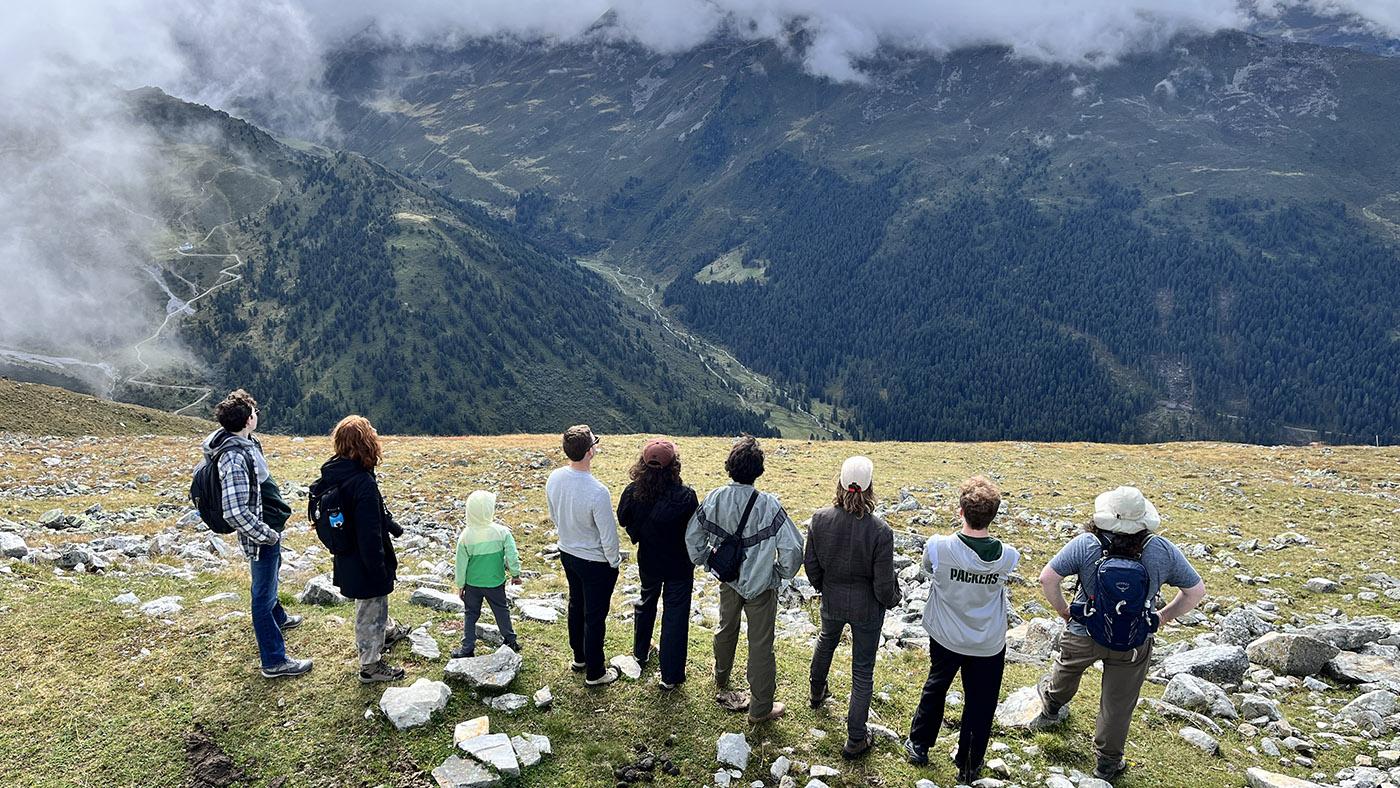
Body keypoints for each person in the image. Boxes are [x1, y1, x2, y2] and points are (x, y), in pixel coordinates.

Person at [1036, 486, 1206, 783]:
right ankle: (1107, 763)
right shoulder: (1162, 549)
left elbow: (1047, 578)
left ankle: (1051, 707)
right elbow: (1195, 592)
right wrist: (1162, 617)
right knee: (1118, 703)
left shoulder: (1086, 543)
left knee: (1066, 671)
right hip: (1134, 640)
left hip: (1084, 631)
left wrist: (1065, 611)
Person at [904, 476, 1020, 784]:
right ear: (993, 516)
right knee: (981, 701)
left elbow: (928, 570)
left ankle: (919, 744)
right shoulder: (1008, 556)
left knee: (937, 684)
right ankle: (969, 764)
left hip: (946, 633)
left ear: (961, 512)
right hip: (987, 640)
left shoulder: (939, 547)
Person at [685, 435, 804, 724]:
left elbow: (693, 539)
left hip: (728, 580)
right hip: (762, 586)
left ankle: (721, 675)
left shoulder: (715, 498)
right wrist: (778, 575)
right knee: (761, 644)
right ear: (758, 470)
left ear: (730, 468)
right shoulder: (769, 505)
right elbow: (793, 550)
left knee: (726, 627)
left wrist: (706, 560)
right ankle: (761, 708)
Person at [202, 389, 311, 679]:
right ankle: (274, 661)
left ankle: (280, 618)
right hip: (263, 533)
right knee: (262, 594)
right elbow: (235, 512)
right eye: (255, 412)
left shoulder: (245, 441)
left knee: (270, 577)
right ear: (249, 419)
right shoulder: (234, 458)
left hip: (270, 524)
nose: (257, 415)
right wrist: (267, 535)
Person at [805, 456, 901, 759]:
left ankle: (816, 692)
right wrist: (894, 599)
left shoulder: (819, 519)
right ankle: (856, 738)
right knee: (862, 671)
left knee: (826, 639)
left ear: (840, 483)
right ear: (870, 487)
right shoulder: (880, 530)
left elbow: (811, 565)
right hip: (867, 610)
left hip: (832, 599)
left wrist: (824, 587)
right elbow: (884, 585)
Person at [316, 415, 409, 684]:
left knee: (371, 603)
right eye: (371, 433)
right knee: (371, 603)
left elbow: (370, 514)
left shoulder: (339, 472)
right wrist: (379, 570)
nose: (376, 434)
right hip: (365, 559)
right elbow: (369, 535)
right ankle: (370, 665)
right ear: (365, 444)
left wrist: (392, 525)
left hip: (347, 556)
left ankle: (388, 631)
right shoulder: (363, 482)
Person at [617, 438, 699, 690]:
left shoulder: (632, 492)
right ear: (674, 465)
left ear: (642, 464)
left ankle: (641, 652)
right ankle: (670, 676)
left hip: (649, 560)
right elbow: (694, 530)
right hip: (679, 565)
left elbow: (623, 519)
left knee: (646, 601)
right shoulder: (686, 497)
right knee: (675, 615)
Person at [545, 424, 622, 687]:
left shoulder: (554, 477)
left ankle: (579, 658)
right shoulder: (597, 491)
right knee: (594, 616)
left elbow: (555, 515)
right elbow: (608, 535)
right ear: (590, 451)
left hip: (568, 552)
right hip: (595, 562)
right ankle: (596, 672)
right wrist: (614, 562)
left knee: (576, 605)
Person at [451, 489, 523, 659]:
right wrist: (515, 574)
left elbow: (460, 565)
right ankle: (510, 640)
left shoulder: (465, 536)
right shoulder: (502, 532)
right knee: (501, 610)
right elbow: (512, 555)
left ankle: (467, 648)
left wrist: (460, 585)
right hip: (495, 582)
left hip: (472, 584)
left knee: (470, 614)